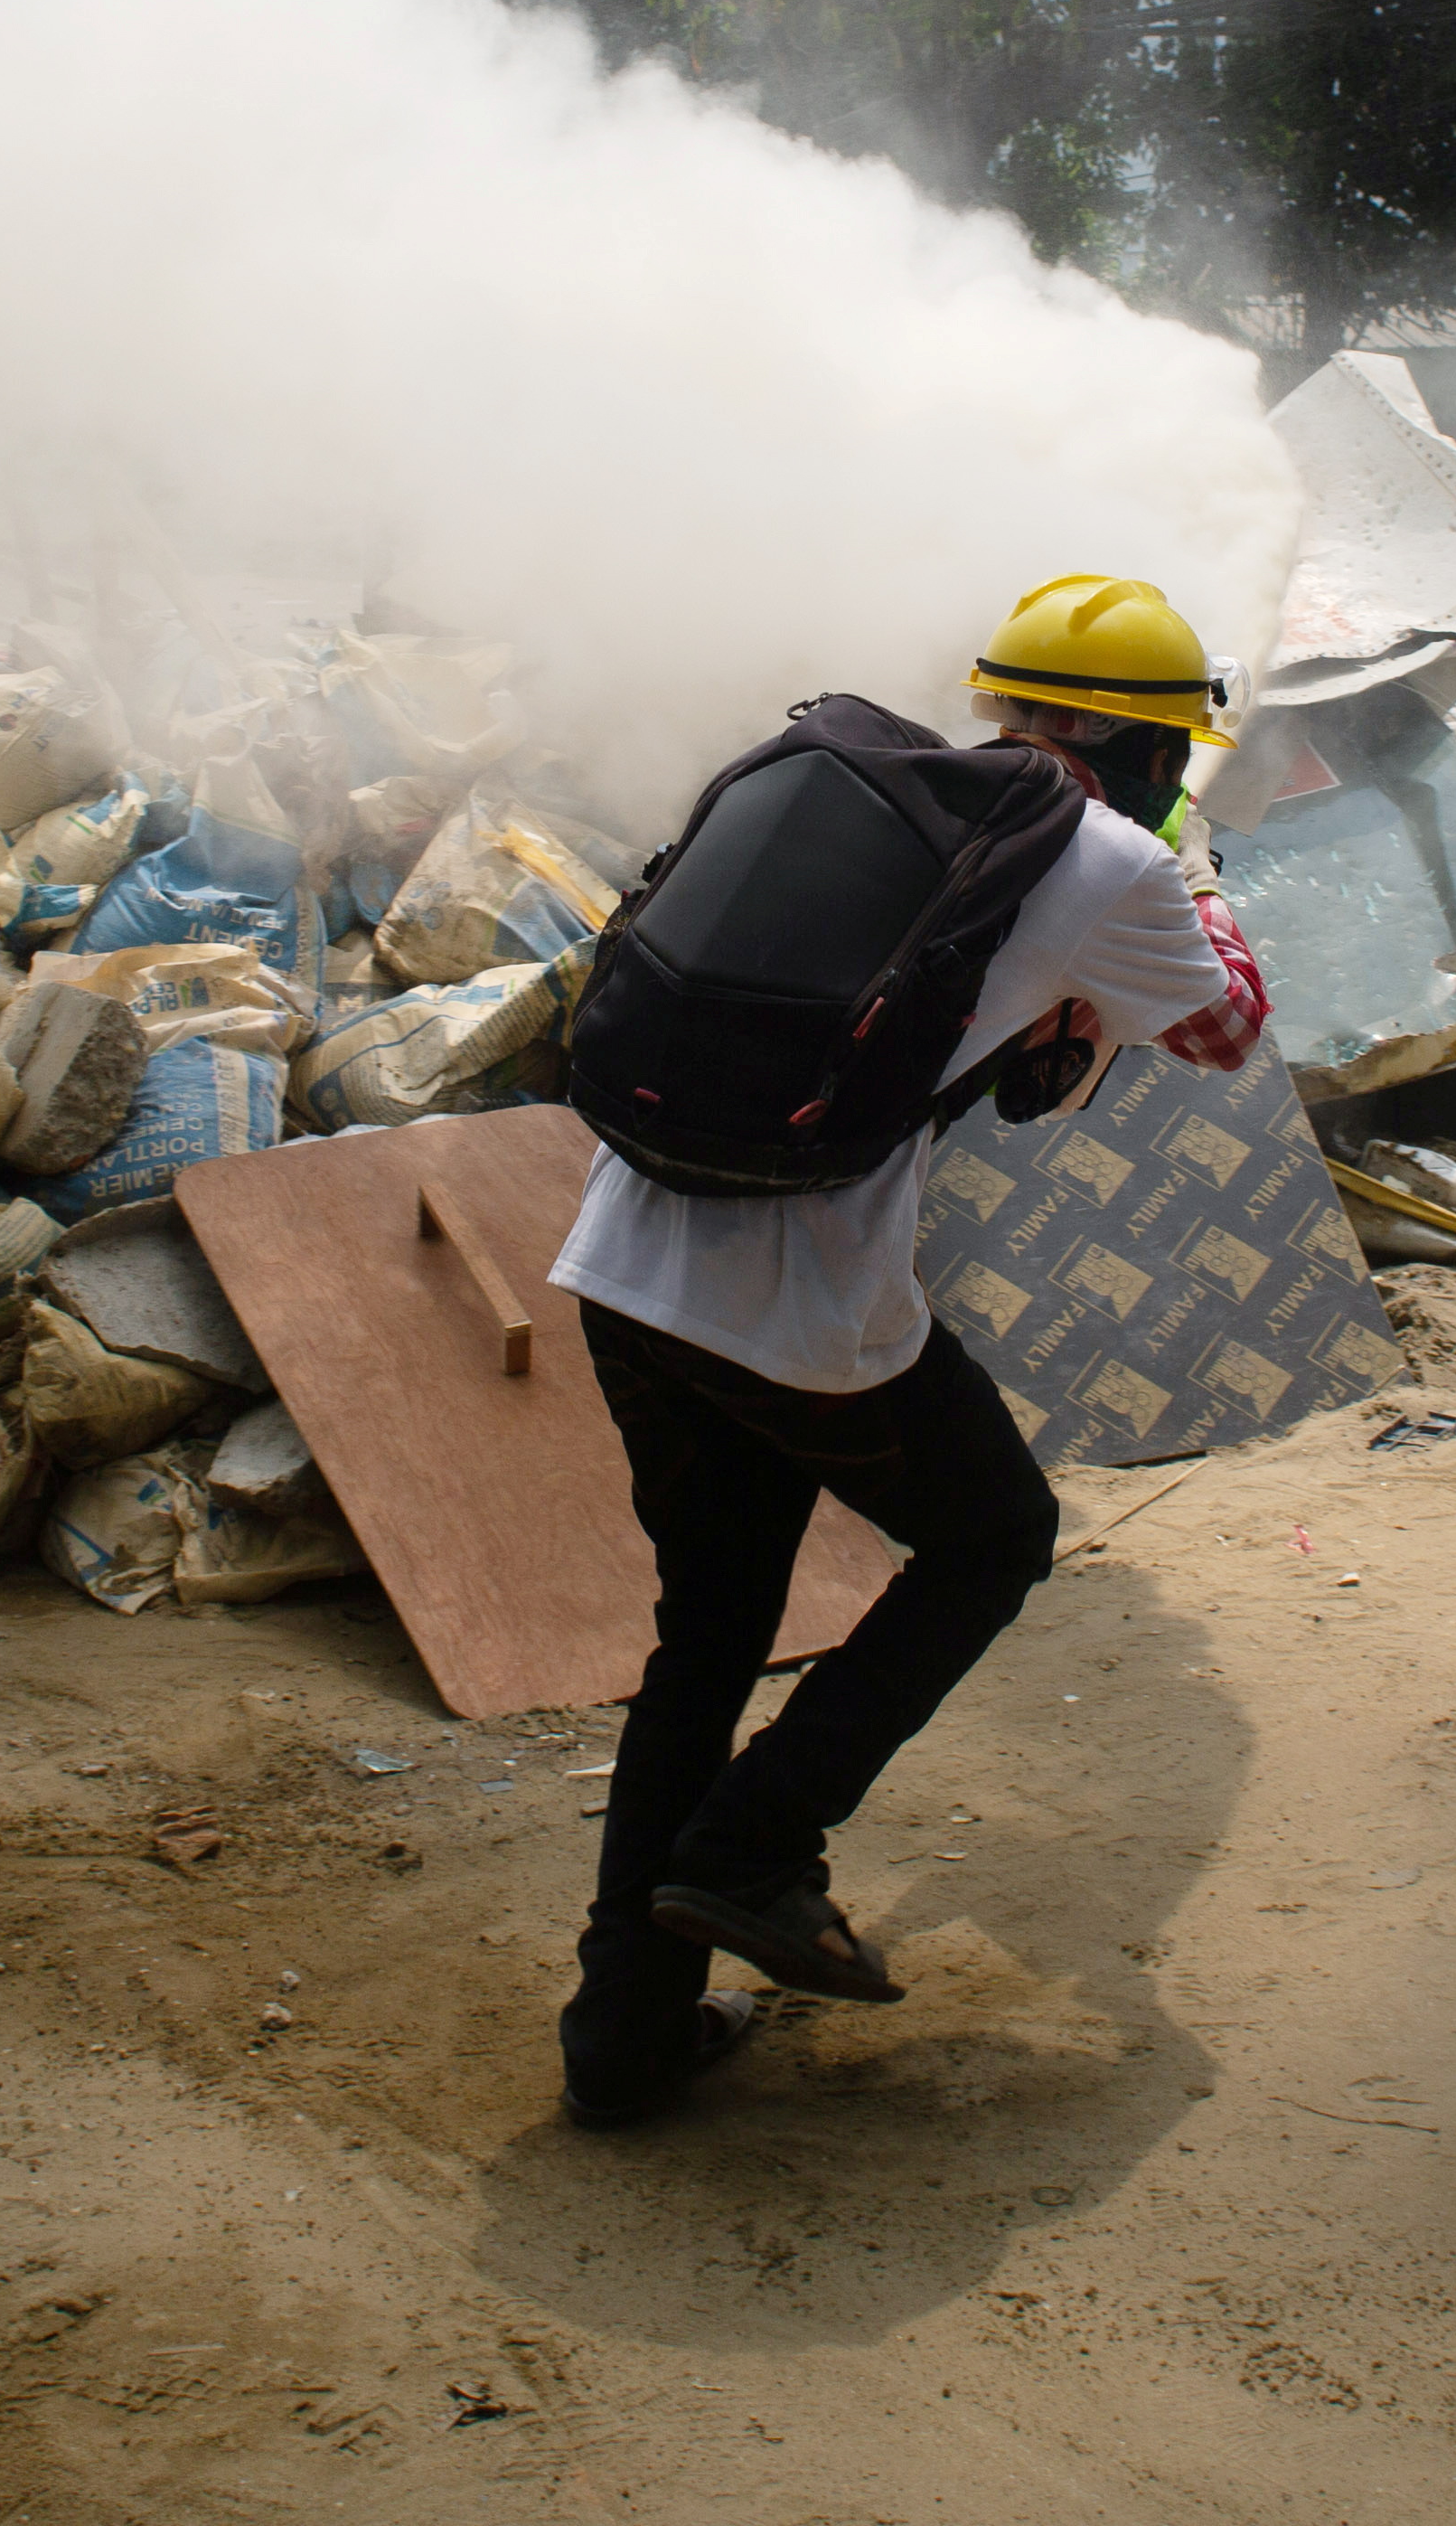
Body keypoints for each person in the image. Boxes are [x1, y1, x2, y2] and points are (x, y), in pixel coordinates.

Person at [544, 575, 1271, 2127]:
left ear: (999, 705)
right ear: (1157, 751)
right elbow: (1223, 1029)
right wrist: (1191, 863)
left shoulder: (872, 800)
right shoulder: (1113, 857)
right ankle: (756, 1846)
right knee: (993, 1537)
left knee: (710, 1633)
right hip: (799, 1318)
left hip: (622, 1264)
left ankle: (624, 2034)